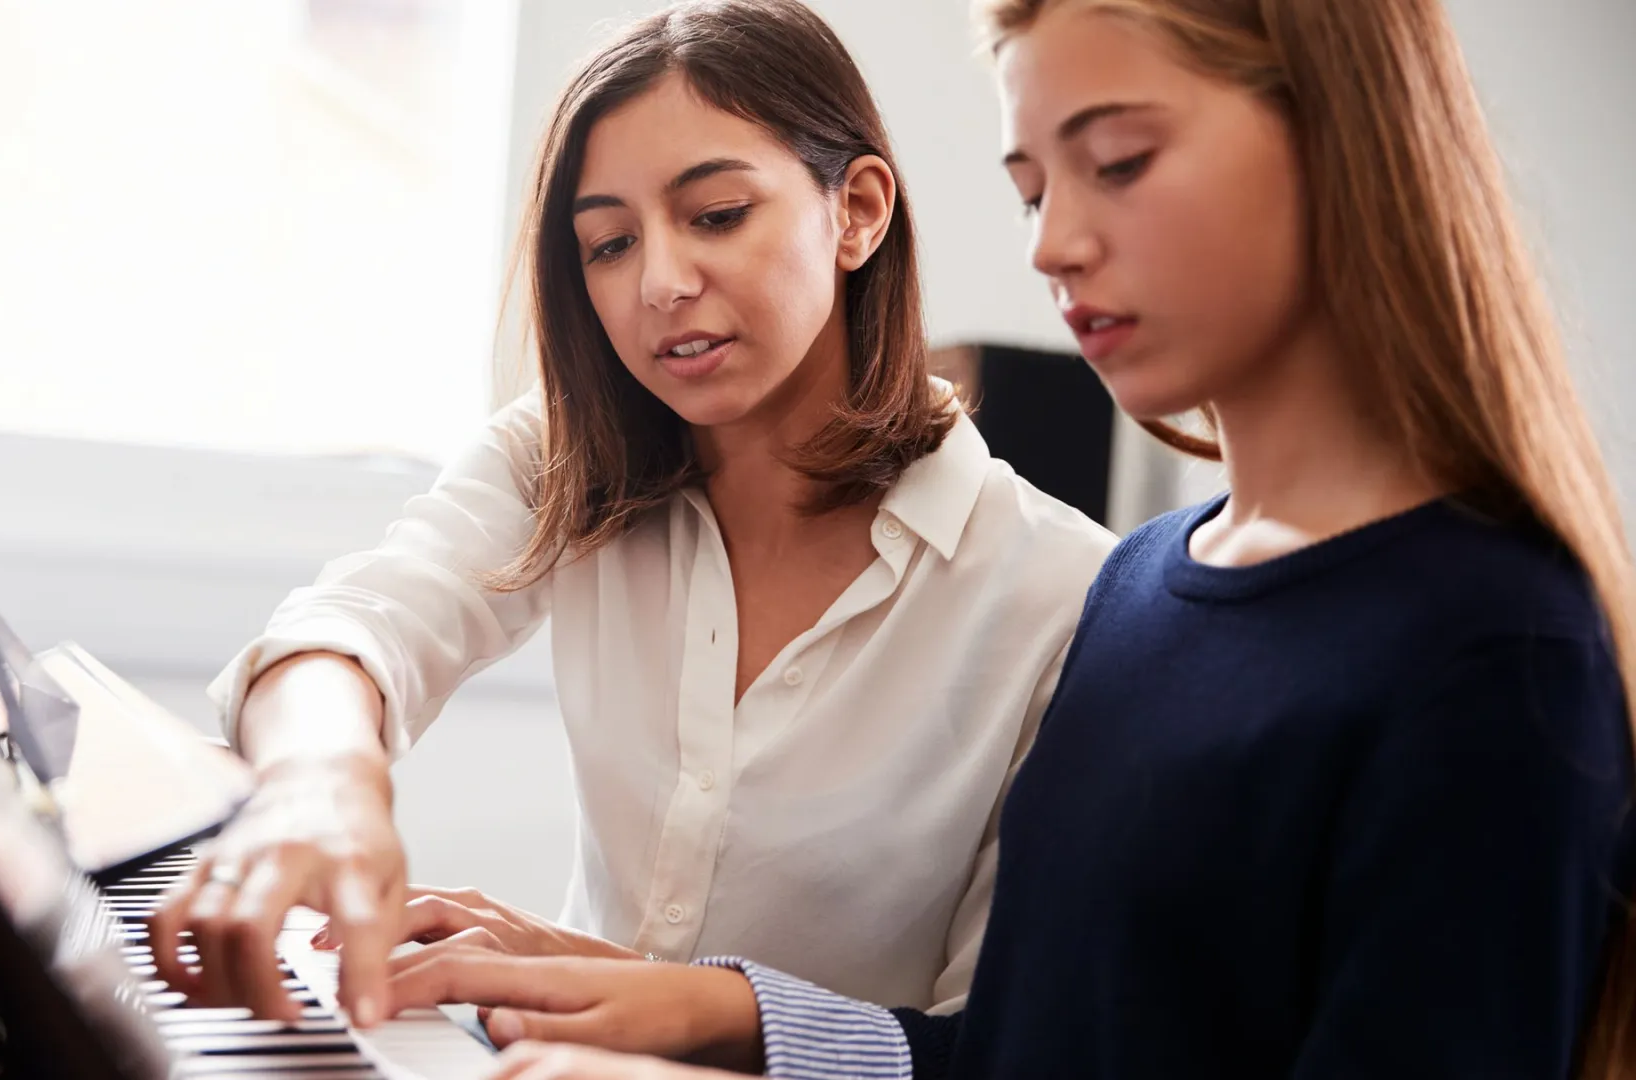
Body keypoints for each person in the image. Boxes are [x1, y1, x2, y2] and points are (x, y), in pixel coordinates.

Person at [382, 0, 1636, 1077]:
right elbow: (1017, 1054)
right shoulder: (1149, 589)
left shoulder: (1490, 643)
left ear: (1343, 143)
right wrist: (705, 1005)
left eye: (1121, 162)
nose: (1050, 245)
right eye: (1032, 187)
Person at [145, 0, 1115, 1028]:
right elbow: (359, 624)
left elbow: (995, 1041)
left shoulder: (1060, 598)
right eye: (608, 244)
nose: (659, 282)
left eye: (716, 215)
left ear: (859, 211)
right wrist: (320, 783)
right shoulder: (571, 459)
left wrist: (673, 1006)